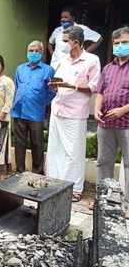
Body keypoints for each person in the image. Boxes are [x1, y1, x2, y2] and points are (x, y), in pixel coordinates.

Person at [46, 26, 101, 202]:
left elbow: (94, 87)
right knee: (55, 149)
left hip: (75, 113)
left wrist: (73, 86)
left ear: (76, 42)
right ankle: (54, 183)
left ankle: (75, 189)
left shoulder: (92, 60)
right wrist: (54, 85)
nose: (62, 45)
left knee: (73, 152)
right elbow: (59, 82)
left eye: (65, 41)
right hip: (58, 109)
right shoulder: (63, 60)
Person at [94, 26, 129, 215]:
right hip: (106, 124)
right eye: (117, 44)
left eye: (124, 42)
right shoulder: (108, 68)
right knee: (103, 162)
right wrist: (96, 108)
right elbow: (100, 92)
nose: (120, 46)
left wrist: (123, 110)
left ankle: (127, 205)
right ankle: (103, 199)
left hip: (127, 124)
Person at [12, 41, 55, 174]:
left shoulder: (48, 70)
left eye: (37, 51)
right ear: (27, 52)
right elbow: (17, 87)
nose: (33, 53)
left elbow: (52, 91)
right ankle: (20, 172)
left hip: (36, 113)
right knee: (19, 144)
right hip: (19, 112)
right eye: (31, 50)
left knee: (37, 144)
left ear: (41, 53)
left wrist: (42, 103)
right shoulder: (20, 69)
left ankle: (38, 173)